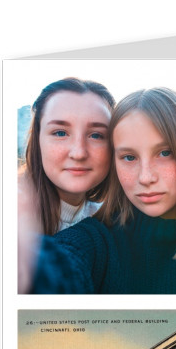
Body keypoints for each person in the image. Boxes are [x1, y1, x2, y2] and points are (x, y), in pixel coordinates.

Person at [20, 87, 176, 294]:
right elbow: (60, 263)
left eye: (165, 153)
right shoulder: (97, 239)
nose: (145, 177)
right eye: (128, 157)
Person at [21, 77, 115, 235]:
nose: (78, 153)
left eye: (96, 135)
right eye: (60, 133)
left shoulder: (113, 225)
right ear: (38, 140)